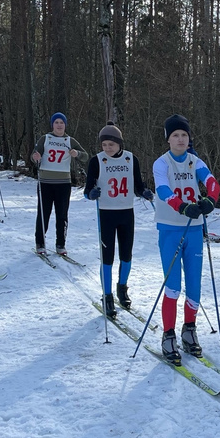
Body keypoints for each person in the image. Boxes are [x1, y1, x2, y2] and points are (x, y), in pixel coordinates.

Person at [151, 113, 220, 364]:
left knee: (194, 286)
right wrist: (181, 207)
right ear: (168, 139)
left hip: (193, 229)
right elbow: (162, 190)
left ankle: (189, 330)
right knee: (173, 286)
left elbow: (212, 183)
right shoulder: (162, 163)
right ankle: (168, 335)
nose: (180, 139)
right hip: (170, 228)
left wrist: (210, 200)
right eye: (175, 135)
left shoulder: (195, 161)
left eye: (184, 135)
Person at [84, 124, 153, 317]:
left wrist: (144, 192)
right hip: (106, 213)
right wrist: (92, 194)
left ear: (119, 143)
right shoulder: (96, 161)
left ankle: (122, 288)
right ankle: (107, 296)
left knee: (126, 255)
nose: (107, 148)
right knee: (107, 257)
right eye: (104, 144)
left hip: (126, 213)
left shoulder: (132, 159)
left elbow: (138, 186)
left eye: (111, 144)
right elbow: (87, 190)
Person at [31, 112, 86, 256]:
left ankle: (60, 244)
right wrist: (35, 157)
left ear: (65, 125)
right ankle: (40, 243)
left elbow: (85, 156)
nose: (59, 125)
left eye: (62, 122)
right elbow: (34, 155)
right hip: (45, 182)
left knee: (62, 214)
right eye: (57, 122)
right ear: (52, 125)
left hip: (63, 183)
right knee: (44, 213)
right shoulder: (46, 138)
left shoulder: (69, 140)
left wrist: (77, 154)